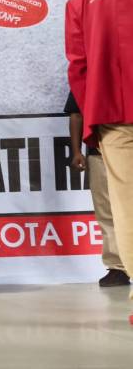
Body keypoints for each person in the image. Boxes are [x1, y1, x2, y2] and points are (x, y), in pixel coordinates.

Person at [65, 0, 133, 298]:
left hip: (115, 115)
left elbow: (79, 70)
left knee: (126, 206)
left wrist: (96, 118)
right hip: (112, 115)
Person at [65, 93, 129, 287]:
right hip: (100, 152)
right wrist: (77, 151)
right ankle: (117, 267)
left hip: (127, 148)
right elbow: (76, 114)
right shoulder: (88, 78)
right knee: (106, 210)